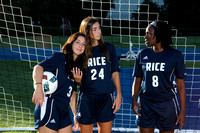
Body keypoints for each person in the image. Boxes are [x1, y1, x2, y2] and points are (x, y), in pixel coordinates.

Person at [132, 20, 186, 133]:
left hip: (167, 105)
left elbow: (180, 85)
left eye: (149, 33)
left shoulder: (175, 55)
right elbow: (137, 81)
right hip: (145, 104)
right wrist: (134, 99)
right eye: (146, 33)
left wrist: (183, 112)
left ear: (160, 35)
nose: (145, 36)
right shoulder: (142, 54)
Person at [32, 32, 88, 133]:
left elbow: (72, 94)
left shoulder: (77, 68)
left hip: (64, 110)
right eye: (78, 42)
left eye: (84, 44)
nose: (80, 46)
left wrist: (75, 114)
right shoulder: (60, 57)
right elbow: (38, 68)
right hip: (49, 104)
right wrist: (38, 88)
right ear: (71, 43)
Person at [77, 16, 122, 133]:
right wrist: (77, 80)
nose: (99, 32)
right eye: (94, 29)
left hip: (106, 97)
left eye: (99, 28)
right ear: (87, 32)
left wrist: (119, 96)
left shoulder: (109, 48)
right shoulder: (81, 51)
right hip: (87, 97)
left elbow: (115, 73)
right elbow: (76, 77)